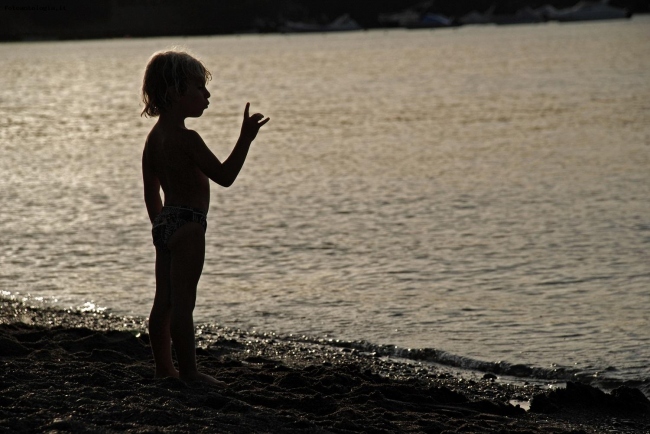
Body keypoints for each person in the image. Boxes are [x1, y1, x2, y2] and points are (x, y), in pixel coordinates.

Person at [140, 50, 269, 385]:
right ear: (175, 92)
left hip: (166, 222)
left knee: (163, 302)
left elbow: (151, 190)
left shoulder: (153, 139)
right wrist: (245, 139)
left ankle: (163, 369)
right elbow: (224, 176)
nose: (207, 95)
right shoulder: (188, 139)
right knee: (184, 304)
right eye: (199, 88)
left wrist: (159, 229)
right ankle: (191, 373)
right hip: (189, 226)